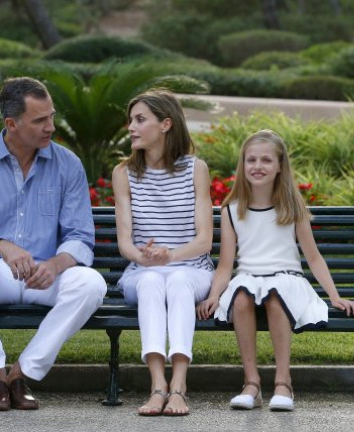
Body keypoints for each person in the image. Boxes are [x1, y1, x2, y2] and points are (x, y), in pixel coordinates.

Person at [0, 77, 107, 411]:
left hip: (43, 276)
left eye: (51, 116)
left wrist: (55, 265)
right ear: (11, 124)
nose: (51, 126)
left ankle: (20, 375)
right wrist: (0, 245)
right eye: (40, 120)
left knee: (91, 284)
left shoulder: (68, 165)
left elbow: (81, 237)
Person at [197, 129, 354, 411]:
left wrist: (334, 297)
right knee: (241, 296)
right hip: (248, 279)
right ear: (243, 165)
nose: (257, 166)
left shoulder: (292, 207)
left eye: (266, 160)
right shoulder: (232, 210)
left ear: (280, 167)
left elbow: (314, 257)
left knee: (275, 297)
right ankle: (251, 383)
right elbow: (226, 264)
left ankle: (283, 382)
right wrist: (214, 294)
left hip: (287, 280)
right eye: (251, 160)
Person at [112, 89, 215, 416]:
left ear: (166, 124)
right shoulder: (123, 173)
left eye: (140, 120)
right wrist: (143, 258)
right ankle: (158, 386)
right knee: (153, 282)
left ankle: (179, 386)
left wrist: (170, 255)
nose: (131, 127)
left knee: (179, 280)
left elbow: (204, 241)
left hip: (191, 268)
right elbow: (125, 241)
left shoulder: (196, 169)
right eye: (131, 120)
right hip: (143, 272)